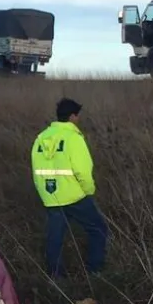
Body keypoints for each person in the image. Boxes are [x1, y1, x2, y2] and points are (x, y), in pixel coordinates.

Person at [30, 98, 109, 280]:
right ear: (73, 116)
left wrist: (43, 191)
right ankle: (95, 271)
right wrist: (88, 191)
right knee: (98, 228)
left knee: (55, 235)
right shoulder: (74, 138)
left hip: (49, 195)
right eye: (78, 116)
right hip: (74, 195)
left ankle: (55, 276)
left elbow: (35, 168)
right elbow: (83, 170)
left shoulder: (41, 137)